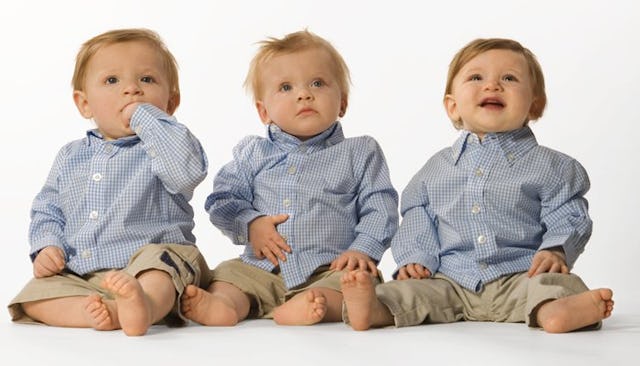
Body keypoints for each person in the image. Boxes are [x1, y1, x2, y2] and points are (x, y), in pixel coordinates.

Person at [341, 38, 614, 333]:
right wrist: (416, 259)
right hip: (450, 281)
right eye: (476, 77)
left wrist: (556, 251)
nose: (492, 86)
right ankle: (373, 308)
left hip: (521, 275)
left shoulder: (553, 167)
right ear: (453, 106)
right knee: (406, 292)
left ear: (535, 104)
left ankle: (556, 311)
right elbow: (418, 217)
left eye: (509, 78)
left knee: (555, 284)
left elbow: (567, 214)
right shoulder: (435, 170)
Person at [181, 29, 398, 326]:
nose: (303, 94)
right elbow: (222, 199)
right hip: (261, 267)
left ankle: (317, 306)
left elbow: (380, 205)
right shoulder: (252, 152)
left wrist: (363, 249)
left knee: (355, 284)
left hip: (328, 265)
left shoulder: (360, 151)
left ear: (343, 102)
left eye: (318, 83)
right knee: (227, 277)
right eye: (285, 87)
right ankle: (224, 305)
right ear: (263, 111)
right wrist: (250, 223)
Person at [7, 28, 211, 336]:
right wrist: (47, 246)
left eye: (147, 80)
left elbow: (187, 172)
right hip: (84, 272)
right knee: (35, 296)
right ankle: (99, 312)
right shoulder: (70, 156)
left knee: (161, 270)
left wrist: (145, 118)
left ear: (171, 103)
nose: (131, 90)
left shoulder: (164, 147)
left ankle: (144, 304)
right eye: (112, 81)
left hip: (151, 260)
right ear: (84, 104)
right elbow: (48, 208)